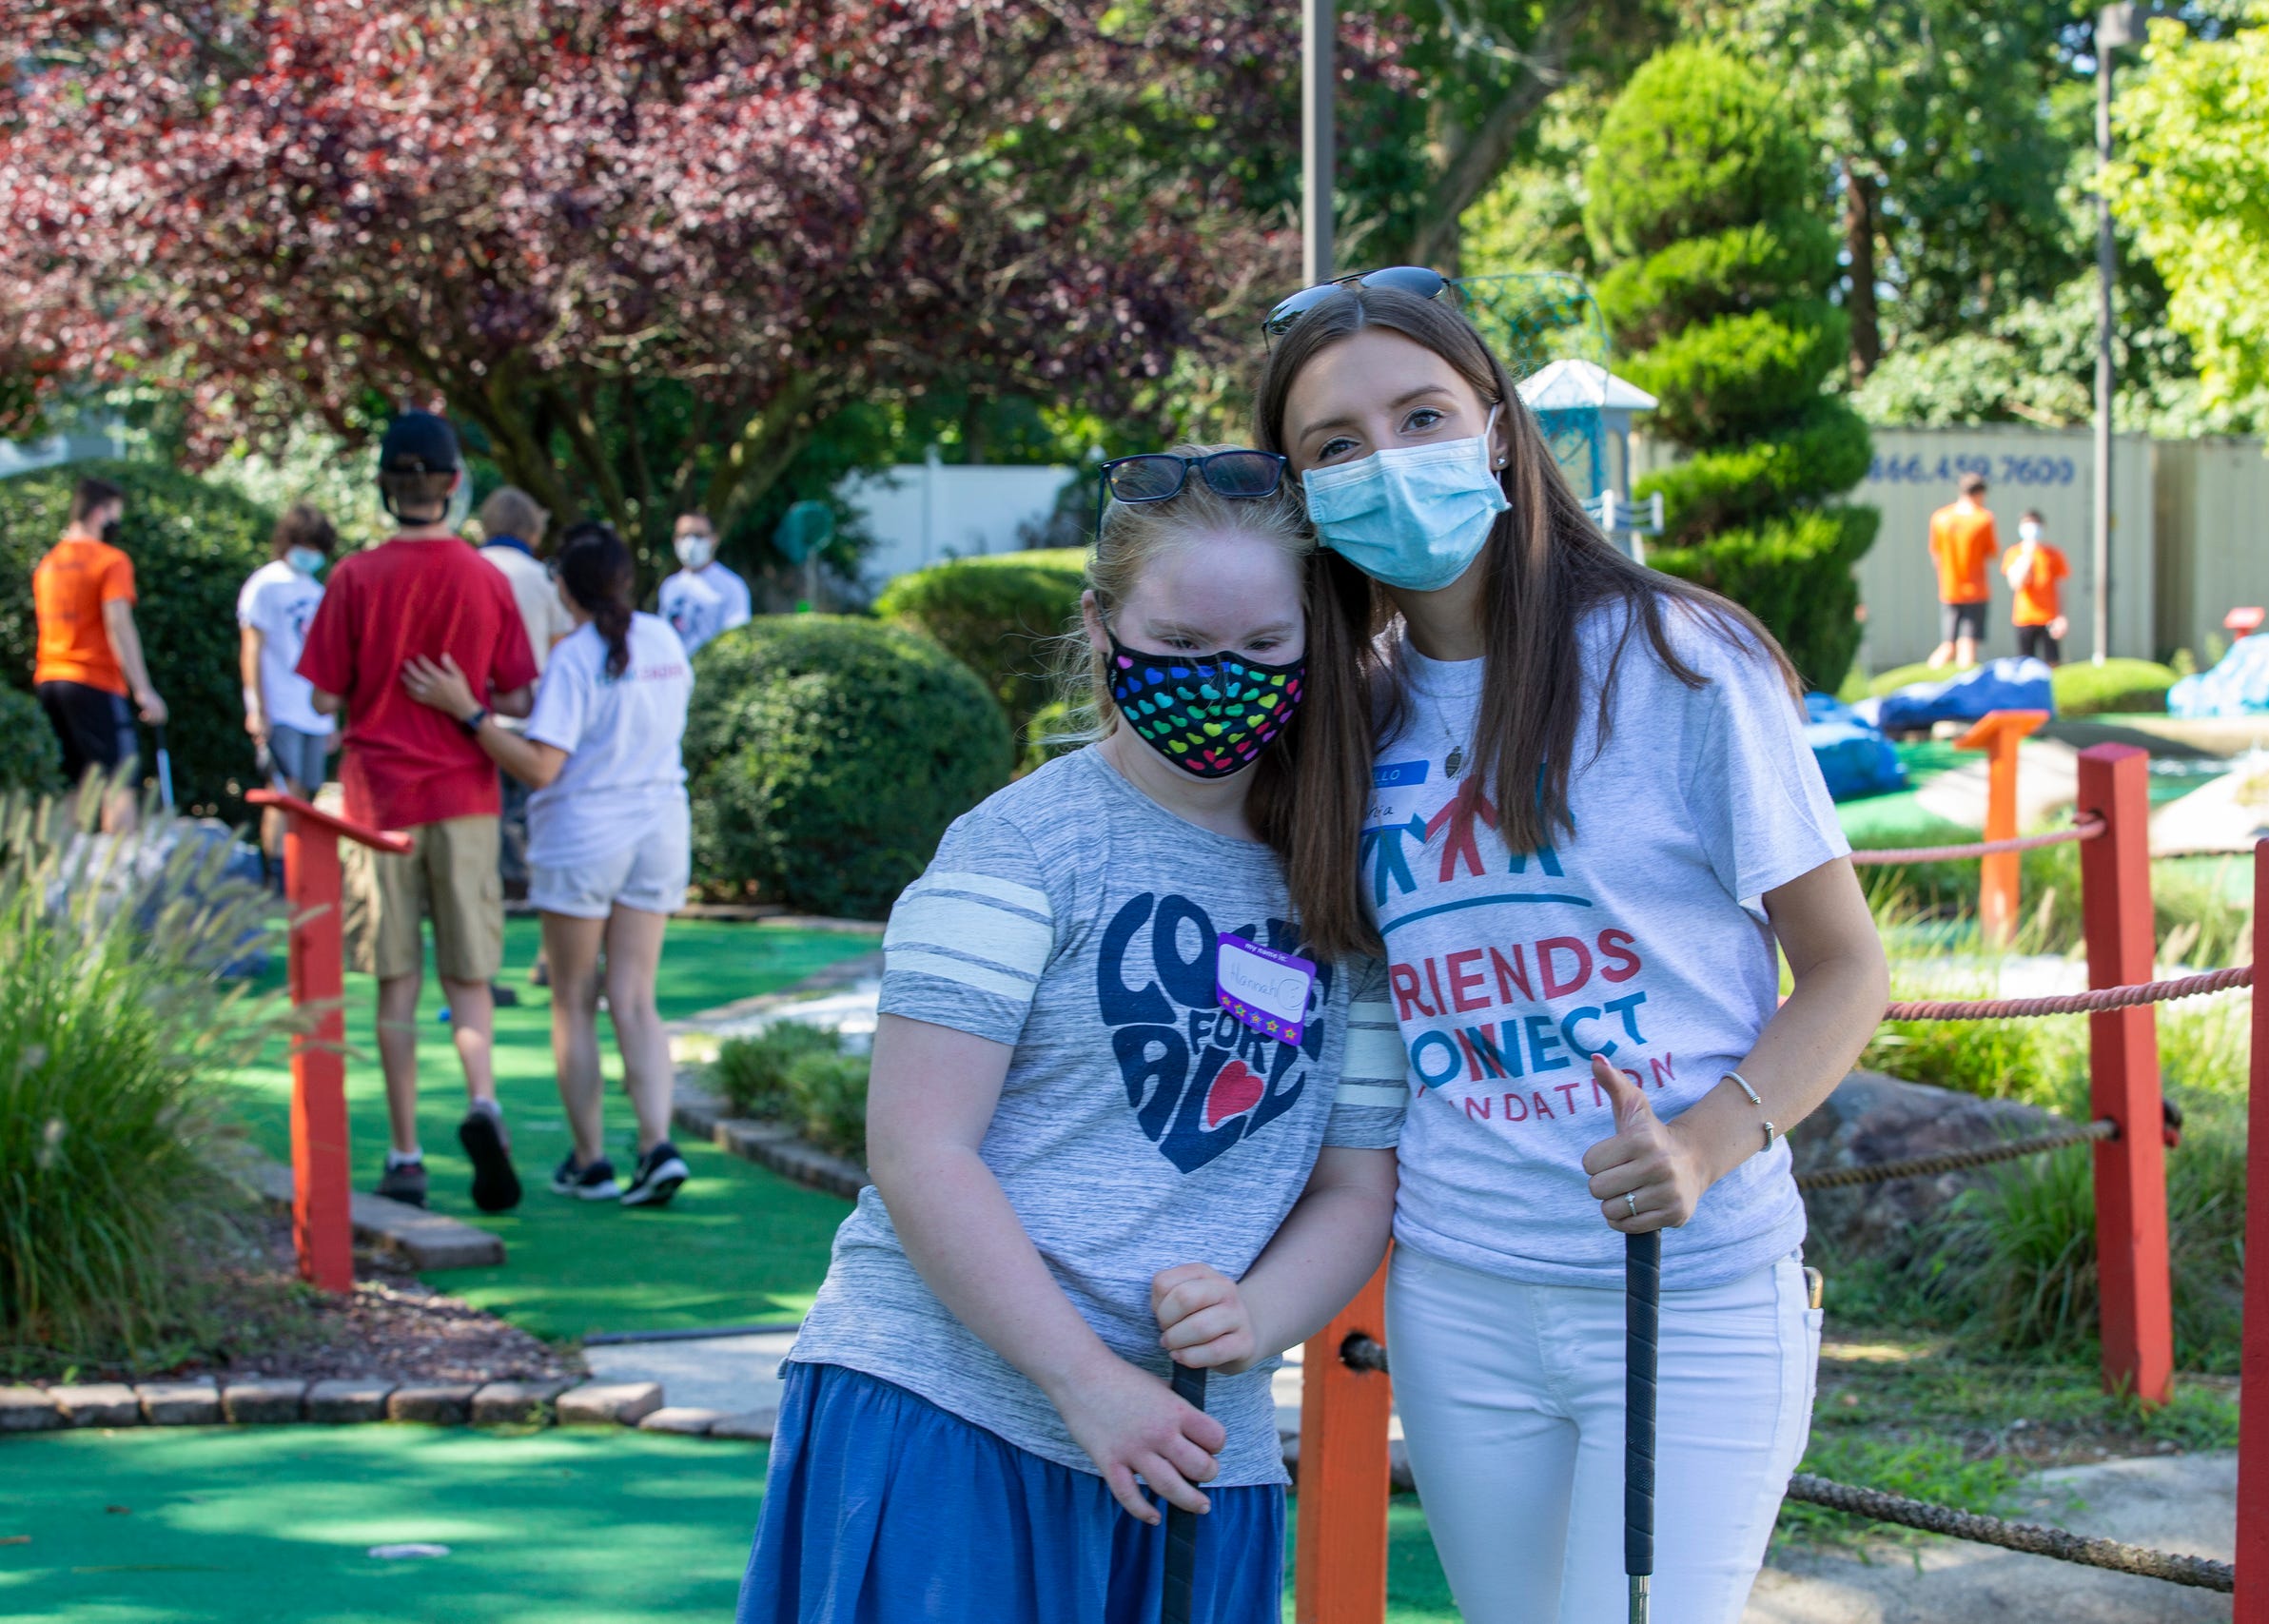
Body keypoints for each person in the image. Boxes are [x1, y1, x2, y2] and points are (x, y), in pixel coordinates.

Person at [1254, 271, 1889, 1624]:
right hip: (1458, 1294)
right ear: (1301, 492)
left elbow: (1846, 968)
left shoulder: (1677, 658)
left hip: (1685, 1291)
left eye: (1421, 414)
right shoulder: (1347, 719)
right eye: (1336, 446)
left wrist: (1702, 1145)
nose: (1388, 462)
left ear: (1496, 425)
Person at [734, 450, 1404, 1624]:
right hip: (954, 1418)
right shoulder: (1020, 848)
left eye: (1259, 651)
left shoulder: (1343, 886)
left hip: (1196, 1444)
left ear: (1312, 644)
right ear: (1103, 629)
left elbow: (1357, 1182)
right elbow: (918, 1150)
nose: (1221, 681)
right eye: (1183, 648)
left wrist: (1264, 1316)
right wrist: (1088, 1384)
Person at [400, 521, 695, 1208]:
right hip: (659, 830)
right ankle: (657, 1145)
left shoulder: (573, 657)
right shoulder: (663, 638)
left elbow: (540, 765)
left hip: (584, 837)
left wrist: (467, 711)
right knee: (635, 999)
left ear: (563, 587)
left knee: (574, 1000)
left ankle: (591, 1160)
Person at [295, 412, 539, 1214]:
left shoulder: (353, 578)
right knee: (469, 981)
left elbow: (324, 694)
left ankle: (406, 1154)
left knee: (395, 985)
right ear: (453, 483)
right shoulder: (485, 577)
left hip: (377, 802)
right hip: (467, 796)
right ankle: (483, 1103)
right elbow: (514, 694)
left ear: (384, 486)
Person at [32, 476, 166, 830]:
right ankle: (120, 876)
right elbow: (118, 623)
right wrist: (144, 690)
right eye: (115, 514)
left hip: (50, 679)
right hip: (94, 679)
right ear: (99, 513)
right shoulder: (110, 561)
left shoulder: (49, 564)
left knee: (74, 782)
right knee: (119, 781)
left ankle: (61, 873)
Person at [476, 486, 575, 908]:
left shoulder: (468, 569)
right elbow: (561, 651)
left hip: (471, 718)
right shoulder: (541, 580)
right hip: (532, 718)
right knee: (531, 820)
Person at [238, 502, 338, 890]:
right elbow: (252, 648)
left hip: (313, 711)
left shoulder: (318, 590)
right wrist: (256, 707)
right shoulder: (264, 585)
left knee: (307, 793)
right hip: (278, 705)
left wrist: (330, 720)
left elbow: (328, 660)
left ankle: (302, 872)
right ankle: (275, 873)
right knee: (282, 791)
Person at [1927, 472, 1999, 668]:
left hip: (1949, 589)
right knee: (1967, 643)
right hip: (1975, 590)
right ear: (1980, 493)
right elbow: (1991, 553)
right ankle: (1964, 684)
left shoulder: (1940, 517)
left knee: (1948, 644)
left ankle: (1930, 672)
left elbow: (1936, 555)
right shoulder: (1983, 518)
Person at [655, 511, 752, 657]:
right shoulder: (670, 586)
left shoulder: (732, 585)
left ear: (714, 539)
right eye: (684, 535)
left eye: (699, 535)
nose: (690, 542)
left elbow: (736, 638)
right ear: (675, 539)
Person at [2004, 508, 2070, 664]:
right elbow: (2016, 583)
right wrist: (2027, 556)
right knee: (2026, 664)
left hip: (2049, 617)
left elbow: (2062, 586)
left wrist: (2061, 616)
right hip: (2025, 617)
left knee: (2053, 663)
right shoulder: (2014, 553)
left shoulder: (2053, 554)